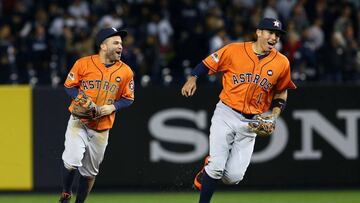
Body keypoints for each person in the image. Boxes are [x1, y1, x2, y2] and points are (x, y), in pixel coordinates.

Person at [181, 18, 296, 203]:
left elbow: (281, 92)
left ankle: (207, 170)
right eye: (270, 32)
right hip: (226, 113)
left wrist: (274, 116)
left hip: (252, 122)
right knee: (217, 167)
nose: (274, 37)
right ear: (258, 32)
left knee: (233, 177)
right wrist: (193, 77)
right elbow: (206, 64)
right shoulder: (234, 50)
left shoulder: (282, 62)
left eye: (277, 35)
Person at [58, 27, 135, 203]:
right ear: (103, 45)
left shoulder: (126, 71)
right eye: (116, 42)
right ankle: (66, 193)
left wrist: (114, 107)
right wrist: (82, 99)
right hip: (79, 121)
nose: (120, 46)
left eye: (121, 43)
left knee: (89, 174)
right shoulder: (83, 63)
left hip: (102, 128)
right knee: (71, 160)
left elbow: (129, 98)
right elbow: (69, 85)